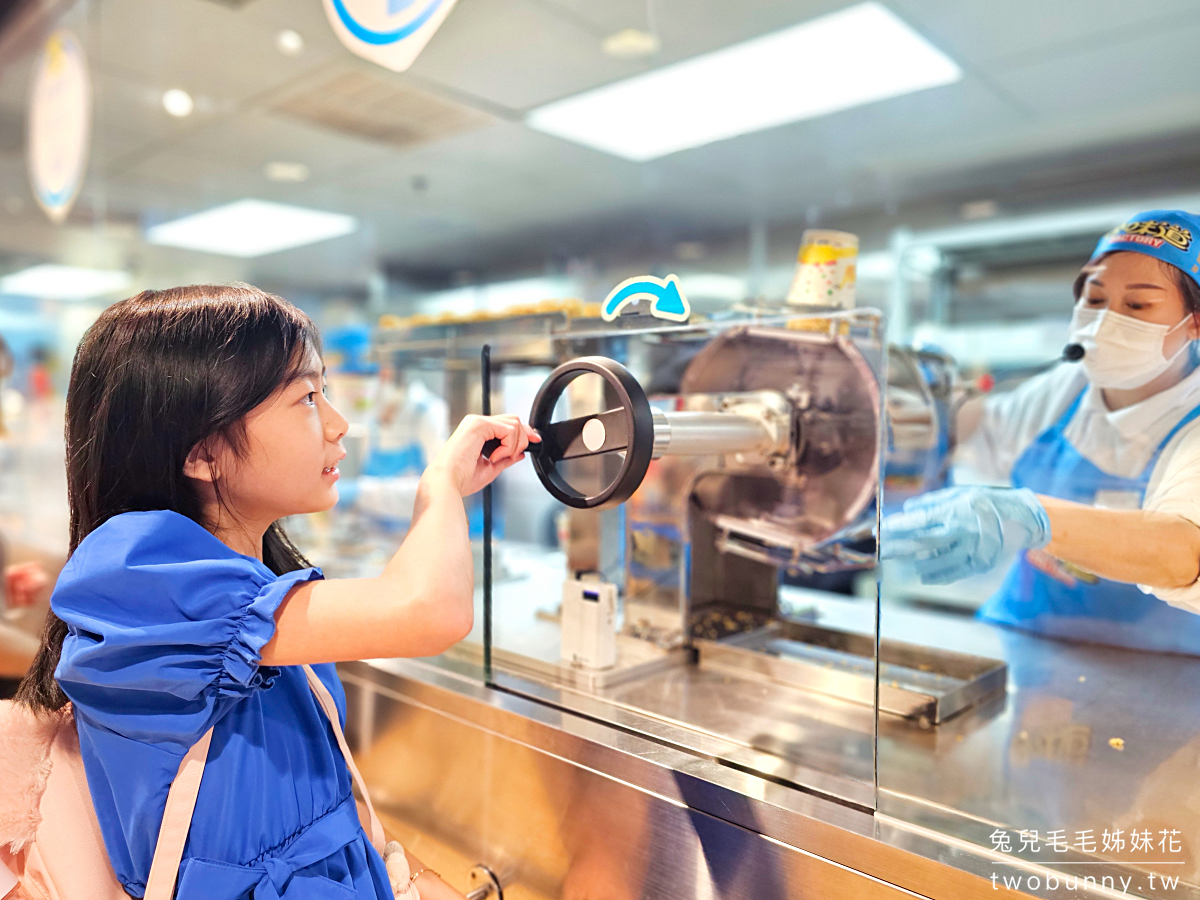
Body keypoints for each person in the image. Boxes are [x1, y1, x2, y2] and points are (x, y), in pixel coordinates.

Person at [12, 284, 539, 899]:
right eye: (309, 397)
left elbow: (338, 811)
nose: (340, 426)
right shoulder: (137, 568)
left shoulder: (263, 588)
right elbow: (429, 611)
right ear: (204, 453)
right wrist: (441, 485)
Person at [881, 209, 1200, 654]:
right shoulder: (1066, 388)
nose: (1105, 321)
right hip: (1024, 645)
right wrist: (913, 409)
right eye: (1094, 299)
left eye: (1137, 305)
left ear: (1195, 322)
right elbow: (984, 428)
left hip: (1160, 672)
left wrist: (1034, 518)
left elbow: (1185, 550)